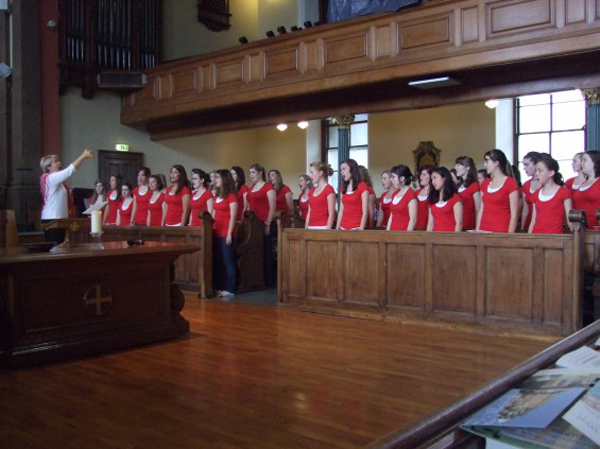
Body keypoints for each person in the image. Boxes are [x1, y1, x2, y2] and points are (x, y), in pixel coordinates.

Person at [39, 149, 94, 243]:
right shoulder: (50, 178)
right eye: (55, 162)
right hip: (52, 219)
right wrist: (83, 156)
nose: (59, 163)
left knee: (60, 247)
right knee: (54, 248)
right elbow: (69, 171)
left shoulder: (58, 182)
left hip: (59, 219)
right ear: (48, 167)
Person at [247, 163, 276, 286]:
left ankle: (269, 280)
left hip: (264, 223)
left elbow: (272, 206)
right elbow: (248, 205)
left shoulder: (268, 187)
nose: (251, 175)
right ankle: (257, 279)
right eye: (250, 173)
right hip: (253, 225)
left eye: (253, 172)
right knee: (255, 252)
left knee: (266, 251)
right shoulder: (251, 187)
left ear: (260, 173)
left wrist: (268, 224)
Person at [477, 149, 519, 233]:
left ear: (496, 163)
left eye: (487, 161)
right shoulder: (485, 183)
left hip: (501, 229)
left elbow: (514, 214)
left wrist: (509, 236)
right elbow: (481, 209)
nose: (484, 165)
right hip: (484, 228)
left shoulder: (510, 183)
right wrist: (477, 230)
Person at [212, 169, 239, 298]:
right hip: (216, 231)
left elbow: (233, 217)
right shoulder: (217, 196)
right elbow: (213, 214)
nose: (216, 180)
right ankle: (220, 286)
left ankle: (230, 288)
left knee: (228, 261)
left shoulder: (232, 196)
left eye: (218, 177)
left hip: (226, 232)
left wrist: (229, 234)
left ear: (225, 179)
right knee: (219, 261)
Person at [529, 155, 572, 234]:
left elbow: (570, 220)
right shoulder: (535, 194)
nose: (536, 174)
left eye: (540, 170)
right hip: (536, 237)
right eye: (536, 171)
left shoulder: (563, 192)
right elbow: (533, 221)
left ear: (551, 173)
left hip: (555, 239)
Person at [427, 167, 463, 232]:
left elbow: (459, 223)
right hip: (434, 239)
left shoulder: (455, 198)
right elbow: (430, 223)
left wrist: (455, 240)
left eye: (435, 178)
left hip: (449, 239)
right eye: (432, 179)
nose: (433, 182)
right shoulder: (432, 199)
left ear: (444, 178)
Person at [337, 159, 369, 230]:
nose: (342, 172)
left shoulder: (362, 186)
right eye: (341, 170)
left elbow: (365, 212)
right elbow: (341, 211)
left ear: (352, 169)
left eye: (344, 169)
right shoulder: (343, 188)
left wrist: (361, 229)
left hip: (356, 228)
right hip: (343, 227)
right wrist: (337, 229)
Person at [573, 150, 600, 228]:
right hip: (580, 229)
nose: (582, 163)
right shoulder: (583, 183)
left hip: (596, 230)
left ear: (595, 161)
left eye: (584, 160)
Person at [305, 161, 336, 229]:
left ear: (320, 173)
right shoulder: (312, 190)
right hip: (310, 227)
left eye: (312, 172)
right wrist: (306, 229)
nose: (310, 175)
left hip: (323, 227)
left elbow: (331, 214)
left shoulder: (329, 189)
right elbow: (309, 213)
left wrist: (327, 232)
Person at [387, 165, 417, 231]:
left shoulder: (410, 194)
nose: (391, 179)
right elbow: (392, 215)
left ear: (402, 178)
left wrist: (406, 237)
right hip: (392, 233)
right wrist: (387, 232)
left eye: (393, 177)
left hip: (403, 234)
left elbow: (413, 219)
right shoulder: (394, 194)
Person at [454, 156, 480, 230]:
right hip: (458, 225)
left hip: (469, 226)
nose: (455, 167)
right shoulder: (458, 186)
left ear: (467, 167)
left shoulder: (474, 185)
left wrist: (477, 228)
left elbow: (478, 209)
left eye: (459, 165)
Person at [520, 152, 543, 231]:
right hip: (528, 226)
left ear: (536, 165)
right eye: (523, 165)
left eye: (527, 165)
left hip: (542, 226)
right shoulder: (526, 185)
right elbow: (525, 210)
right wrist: (522, 229)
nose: (524, 168)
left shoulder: (545, 184)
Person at [415, 165, 433, 230]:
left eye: (424, 174)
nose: (421, 176)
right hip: (415, 227)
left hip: (429, 228)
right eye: (421, 174)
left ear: (431, 176)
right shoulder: (416, 193)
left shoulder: (434, 194)